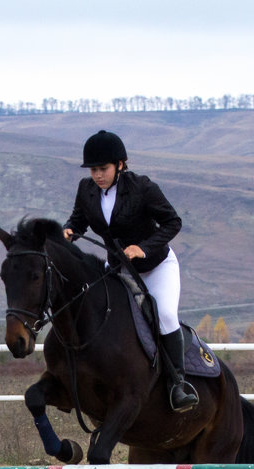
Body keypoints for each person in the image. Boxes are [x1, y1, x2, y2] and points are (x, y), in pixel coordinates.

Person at [62, 129, 197, 412]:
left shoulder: (143, 188)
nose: (97, 175)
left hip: (156, 266)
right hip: (119, 268)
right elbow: (78, 219)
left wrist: (142, 248)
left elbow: (173, 223)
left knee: (165, 314)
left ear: (120, 165)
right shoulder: (86, 190)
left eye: (103, 169)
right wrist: (69, 231)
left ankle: (178, 384)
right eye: (94, 169)